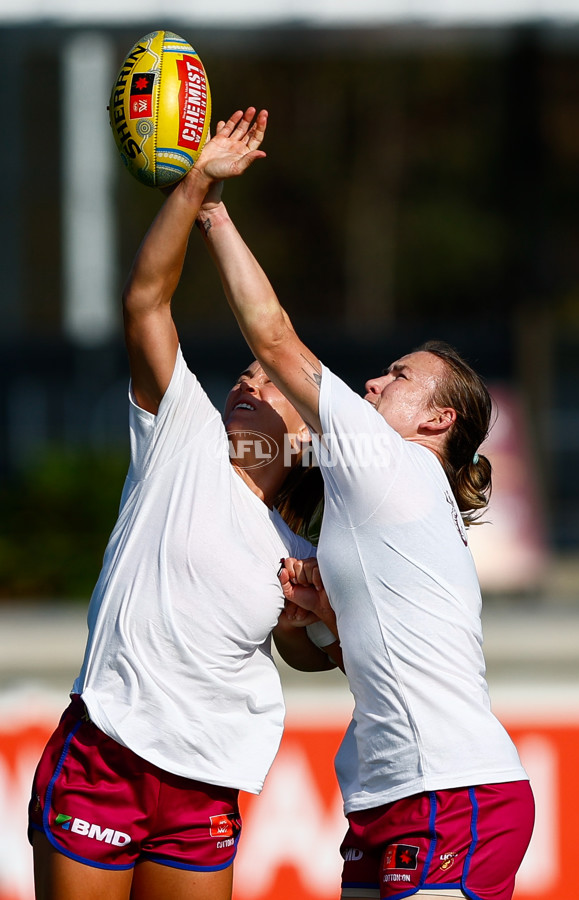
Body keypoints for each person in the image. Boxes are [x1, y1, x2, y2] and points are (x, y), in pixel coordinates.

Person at [194, 108, 535, 900]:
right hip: (388, 795)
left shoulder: (396, 465)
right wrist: (330, 617)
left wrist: (206, 204)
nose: (375, 382)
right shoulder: (384, 507)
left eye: (399, 377)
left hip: (454, 792)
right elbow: (336, 654)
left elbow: (274, 337)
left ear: (436, 421)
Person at [27, 108, 339, 900]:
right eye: (247, 372)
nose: (249, 379)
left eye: (272, 383)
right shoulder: (183, 435)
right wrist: (198, 184)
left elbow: (298, 653)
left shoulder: (295, 551)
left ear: (303, 440)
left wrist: (323, 628)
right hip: (106, 755)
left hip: (203, 784)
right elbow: (145, 302)